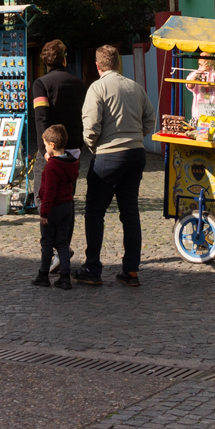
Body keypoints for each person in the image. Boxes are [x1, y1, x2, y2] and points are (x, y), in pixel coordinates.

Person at [77, 44, 155, 288]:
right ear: (118, 64)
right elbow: (150, 118)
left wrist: (94, 146)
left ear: (98, 65)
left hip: (109, 155)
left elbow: (90, 125)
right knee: (130, 213)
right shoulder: (135, 87)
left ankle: (92, 267)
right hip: (135, 154)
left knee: (95, 211)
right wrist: (136, 137)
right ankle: (131, 269)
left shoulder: (97, 87)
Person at [31, 39, 87, 175]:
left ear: (46, 62)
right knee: (67, 192)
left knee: (45, 192)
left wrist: (44, 149)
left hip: (52, 147)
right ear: (64, 59)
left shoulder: (41, 84)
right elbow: (84, 116)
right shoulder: (79, 84)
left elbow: (41, 118)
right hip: (73, 146)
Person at [34, 123, 77, 290]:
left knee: (47, 243)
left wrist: (44, 213)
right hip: (67, 206)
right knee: (62, 243)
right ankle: (65, 277)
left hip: (53, 209)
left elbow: (50, 191)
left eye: (45, 145)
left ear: (52, 145)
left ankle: (43, 275)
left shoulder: (52, 167)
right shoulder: (69, 162)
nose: (44, 148)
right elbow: (59, 168)